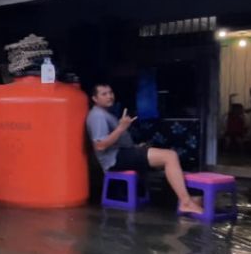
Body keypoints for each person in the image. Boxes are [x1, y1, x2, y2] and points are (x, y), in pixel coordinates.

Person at [86, 82, 202, 215]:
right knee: (169, 156)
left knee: (166, 158)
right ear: (95, 98)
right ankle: (185, 202)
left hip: (122, 153)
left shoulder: (106, 113)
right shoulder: (97, 116)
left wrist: (136, 147)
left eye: (111, 93)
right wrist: (121, 128)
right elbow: (100, 145)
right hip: (114, 159)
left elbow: (116, 141)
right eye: (104, 94)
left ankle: (189, 197)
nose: (109, 96)